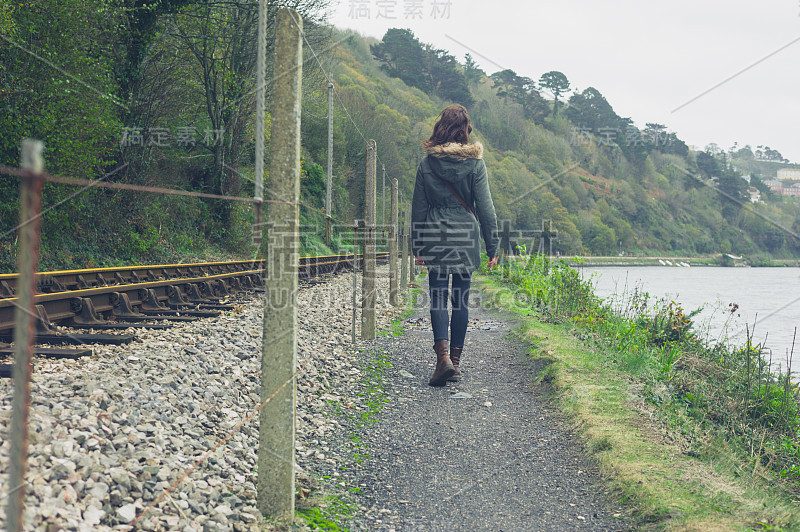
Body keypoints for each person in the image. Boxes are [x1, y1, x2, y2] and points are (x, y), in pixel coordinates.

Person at [411, 104, 500, 387]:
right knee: (460, 300)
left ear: (440, 128)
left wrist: (418, 246)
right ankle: (456, 364)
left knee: (437, 297)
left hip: (436, 234)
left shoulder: (427, 164)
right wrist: (493, 245)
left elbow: (419, 208)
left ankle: (443, 360)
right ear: (465, 131)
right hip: (466, 236)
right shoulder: (476, 164)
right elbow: (486, 208)